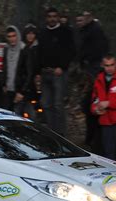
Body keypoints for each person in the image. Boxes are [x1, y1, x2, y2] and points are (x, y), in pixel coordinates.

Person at [37, 7, 75, 135]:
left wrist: (62, 67)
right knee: (46, 104)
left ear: (58, 17)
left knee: (58, 105)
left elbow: (70, 51)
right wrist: (38, 72)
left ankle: (61, 134)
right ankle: (52, 133)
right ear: (46, 18)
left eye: (54, 16)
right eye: (49, 16)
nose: (52, 18)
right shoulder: (42, 32)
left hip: (58, 73)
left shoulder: (65, 31)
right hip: (45, 72)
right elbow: (39, 52)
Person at [76, 11, 109, 154]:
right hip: (91, 73)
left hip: (94, 74)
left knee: (93, 108)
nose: (78, 22)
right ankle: (93, 140)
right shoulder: (87, 31)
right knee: (89, 108)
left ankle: (97, 143)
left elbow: (97, 52)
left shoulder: (95, 32)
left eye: (81, 19)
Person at [13, 23, 39, 118]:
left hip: (30, 84)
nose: (30, 36)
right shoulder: (22, 48)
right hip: (23, 83)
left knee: (27, 110)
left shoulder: (37, 48)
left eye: (32, 33)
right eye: (28, 33)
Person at [2, 26, 25, 112]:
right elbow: (4, 67)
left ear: (17, 36)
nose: (12, 39)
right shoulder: (6, 49)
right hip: (8, 90)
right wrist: (3, 84)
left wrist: (22, 92)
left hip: (20, 90)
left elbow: (28, 72)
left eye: (14, 36)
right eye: (9, 36)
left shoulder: (24, 49)